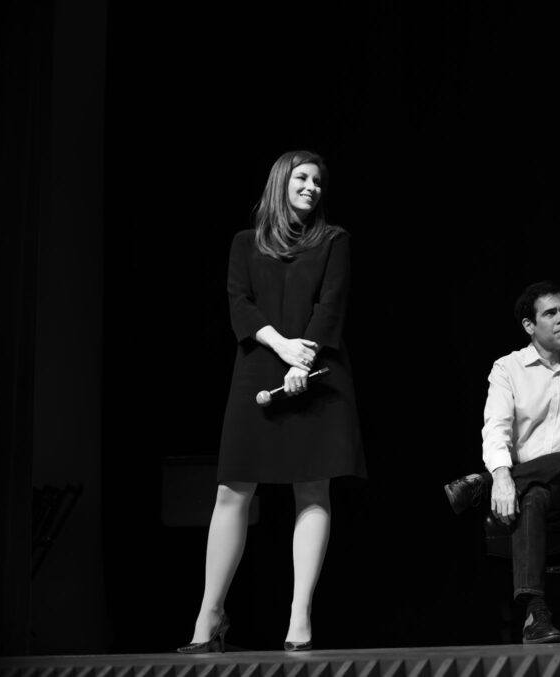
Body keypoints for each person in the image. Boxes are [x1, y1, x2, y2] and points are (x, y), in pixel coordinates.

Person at [178, 150, 365, 653]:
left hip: (317, 366)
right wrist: (281, 347)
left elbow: (333, 303)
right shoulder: (245, 243)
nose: (312, 187)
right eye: (302, 178)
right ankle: (210, 614)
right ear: (281, 181)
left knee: (313, 488)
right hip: (259, 364)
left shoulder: (334, 241)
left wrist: (303, 360)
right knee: (231, 491)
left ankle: (299, 615)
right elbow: (239, 302)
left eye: (319, 181)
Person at [444, 281, 560, 644]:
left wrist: (499, 478)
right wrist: (503, 475)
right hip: (535, 487)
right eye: (550, 313)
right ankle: (536, 613)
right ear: (529, 326)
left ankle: (481, 484)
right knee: (533, 495)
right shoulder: (508, 369)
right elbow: (496, 428)